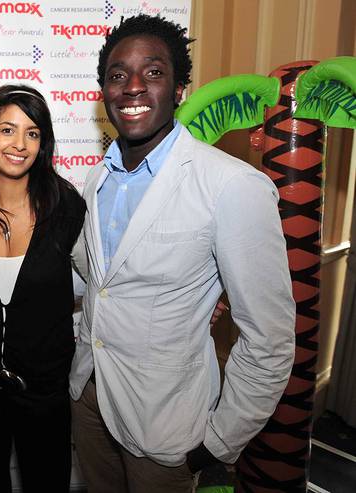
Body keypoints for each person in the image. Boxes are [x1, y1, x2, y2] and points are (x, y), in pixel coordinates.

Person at [70, 14, 296, 492]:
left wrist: (218, 442)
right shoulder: (97, 179)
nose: (132, 87)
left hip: (166, 428)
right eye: (117, 75)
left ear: (178, 90)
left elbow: (270, 340)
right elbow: (99, 281)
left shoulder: (231, 186)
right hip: (90, 401)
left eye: (152, 72)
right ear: (103, 92)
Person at [0, 84, 86, 493]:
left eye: (33, 133)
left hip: (45, 392)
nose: (20, 144)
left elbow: (108, 279)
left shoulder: (67, 207)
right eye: (8, 130)